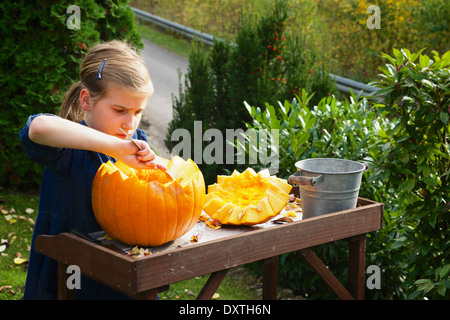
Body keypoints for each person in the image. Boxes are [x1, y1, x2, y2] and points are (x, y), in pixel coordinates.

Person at [19, 40, 165, 299]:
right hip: (70, 277)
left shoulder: (134, 141)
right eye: (119, 110)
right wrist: (115, 148)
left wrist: (157, 163)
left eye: (138, 111)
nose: (130, 123)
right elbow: (38, 128)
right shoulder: (67, 148)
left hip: (120, 273)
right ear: (86, 100)